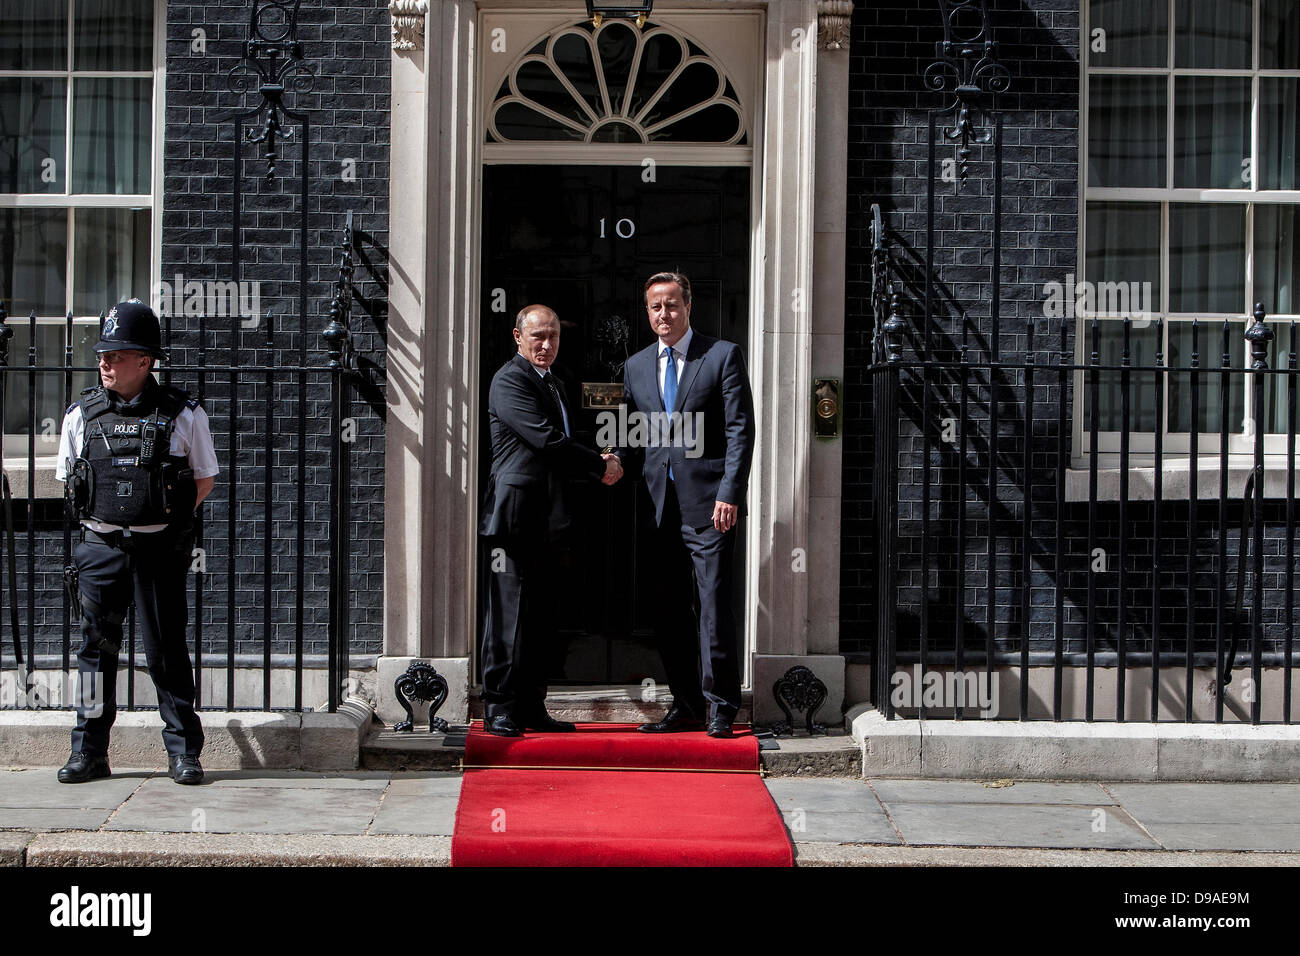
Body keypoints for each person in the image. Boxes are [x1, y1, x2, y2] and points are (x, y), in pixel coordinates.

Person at [54, 299, 218, 785]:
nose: (104, 362)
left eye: (116, 354)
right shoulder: (81, 415)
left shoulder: (183, 413)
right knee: (93, 655)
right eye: (102, 354)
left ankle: (184, 753)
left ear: (145, 361)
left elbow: (203, 479)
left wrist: (160, 523)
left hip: (158, 551)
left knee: (166, 652)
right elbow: (71, 480)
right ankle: (88, 752)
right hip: (100, 549)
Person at [616, 272, 755, 738]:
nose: (663, 314)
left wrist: (730, 492)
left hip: (710, 505)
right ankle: (688, 703)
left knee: (714, 604)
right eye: (655, 306)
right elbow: (637, 437)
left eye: (672, 305)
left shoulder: (721, 356)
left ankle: (722, 705)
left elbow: (740, 431)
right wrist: (612, 461)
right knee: (669, 610)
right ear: (647, 311)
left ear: (688, 306)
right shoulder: (636, 367)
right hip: (659, 509)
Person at [479, 304, 622, 736]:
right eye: (538, 336)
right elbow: (545, 439)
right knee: (508, 616)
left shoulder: (556, 383)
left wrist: (607, 456)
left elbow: (563, 439)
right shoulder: (509, 380)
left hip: (549, 520)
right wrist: (600, 465)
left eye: (553, 337)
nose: (546, 344)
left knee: (540, 616)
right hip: (513, 519)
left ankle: (531, 704)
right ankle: (500, 706)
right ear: (518, 338)